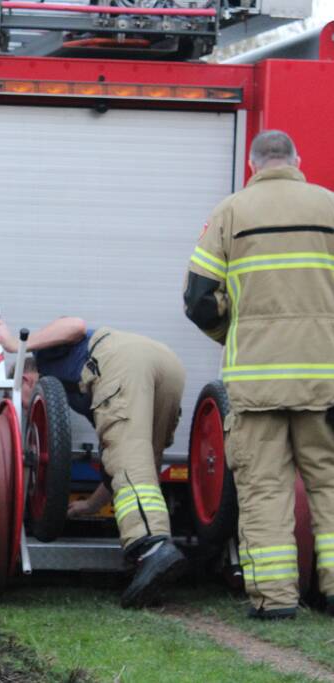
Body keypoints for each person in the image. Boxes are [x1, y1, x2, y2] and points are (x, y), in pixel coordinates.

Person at [184, 129, 334, 620]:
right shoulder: (329, 206)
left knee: (265, 489)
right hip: (326, 382)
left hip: (257, 384)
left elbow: (199, 299)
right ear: (297, 160)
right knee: (329, 485)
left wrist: (237, 334)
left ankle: (276, 601)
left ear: (252, 165)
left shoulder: (231, 212)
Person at [0, 317, 187, 607]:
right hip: (167, 365)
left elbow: (75, 325)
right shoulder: (87, 392)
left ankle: (152, 549)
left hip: (123, 361)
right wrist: (91, 505)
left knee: (128, 455)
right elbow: (114, 460)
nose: (28, 412)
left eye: (23, 402)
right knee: (140, 460)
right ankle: (149, 567)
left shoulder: (45, 358)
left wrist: (17, 345)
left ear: (26, 381)